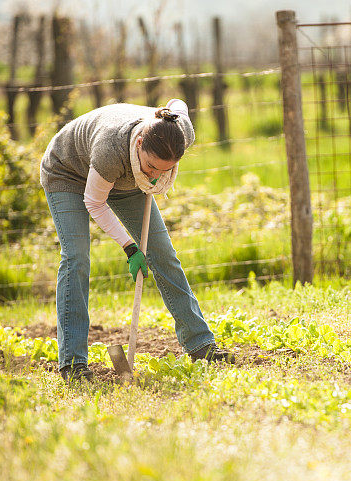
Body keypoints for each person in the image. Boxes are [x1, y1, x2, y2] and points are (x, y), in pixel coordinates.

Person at [39, 99, 233, 383]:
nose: (156, 176)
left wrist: (152, 165)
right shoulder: (111, 148)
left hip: (126, 181)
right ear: (140, 142)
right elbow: (94, 202)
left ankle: (200, 345)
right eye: (153, 166)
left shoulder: (180, 133)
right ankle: (73, 363)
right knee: (76, 257)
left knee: (163, 254)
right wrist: (129, 248)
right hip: (68, 173)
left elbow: (178, 103)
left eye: (165, 170)